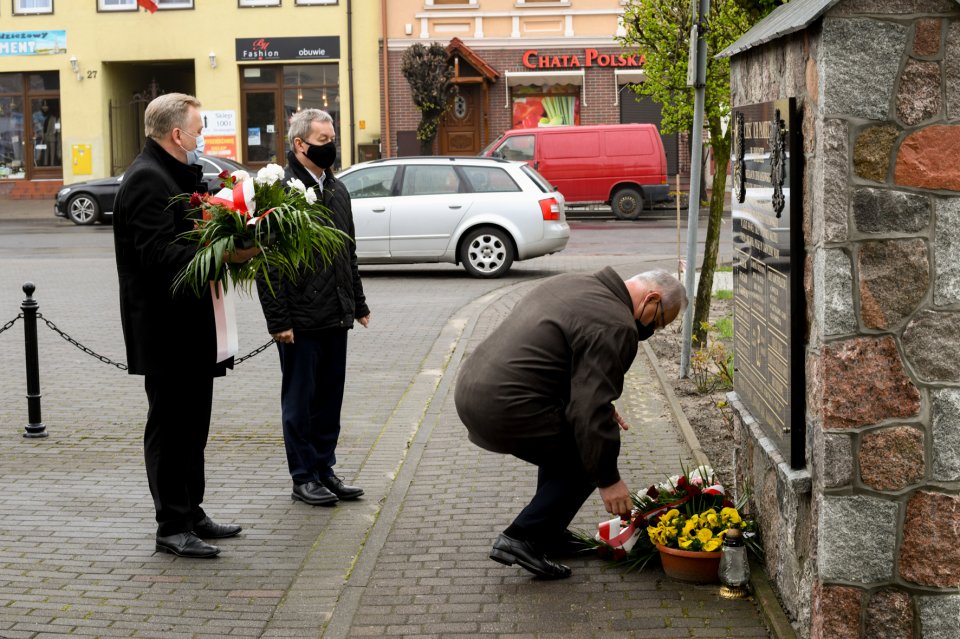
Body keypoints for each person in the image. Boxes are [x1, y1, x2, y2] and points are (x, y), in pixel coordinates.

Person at [455, 268, 686, 579]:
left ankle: (546, 532)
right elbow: (589, 412)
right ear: (652, 298)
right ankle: (522, 538)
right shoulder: (617, 325)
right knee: (589, 454)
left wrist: (594, 406)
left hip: (475, 388)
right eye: (657, 322)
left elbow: (562, 364)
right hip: (504, 405)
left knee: (571, 439)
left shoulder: (577, 281)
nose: (650, 331)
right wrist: (609, 480)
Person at [113, 93, 259, 558]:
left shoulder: (178, 175)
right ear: (177, 134)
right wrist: (226, 253)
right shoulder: (145, 180)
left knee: (194, 427)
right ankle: (171, 525)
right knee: (171, 428)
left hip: (193, 326)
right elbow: (157, 256)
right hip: (165, 331)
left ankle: (191, 510)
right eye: (199, 130)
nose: (203, 139)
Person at [256, 108, 371, 508]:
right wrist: (279, 320)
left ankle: (325, 469)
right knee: (300, 402)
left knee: (329, 400)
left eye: (332, 138)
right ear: (299, 144)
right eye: (323, 141)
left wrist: (358, 303)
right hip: (299, 321)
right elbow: (267, 262)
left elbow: (347, 253)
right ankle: (302, 476)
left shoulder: (337, 191)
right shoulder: (280, 193)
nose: (331, 147)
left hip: (334, 315)